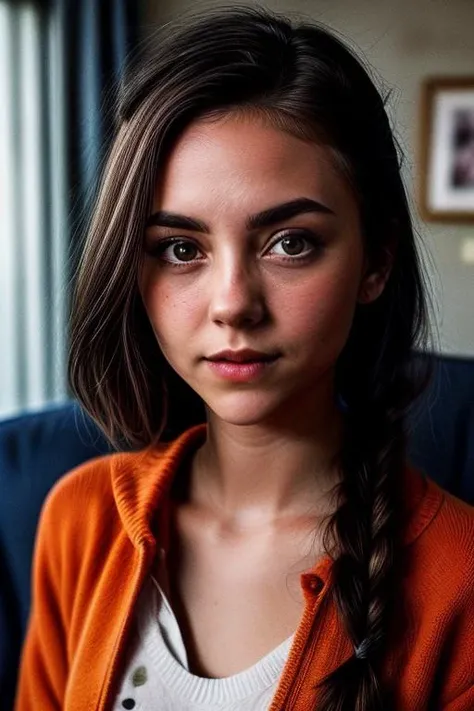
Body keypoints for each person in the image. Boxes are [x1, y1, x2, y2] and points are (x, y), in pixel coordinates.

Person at [15, 6, 474, 711]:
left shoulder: (462, 581)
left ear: (376, 260)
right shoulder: (79, 520)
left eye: (290, 242)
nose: (233, 303)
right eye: (180, 249)